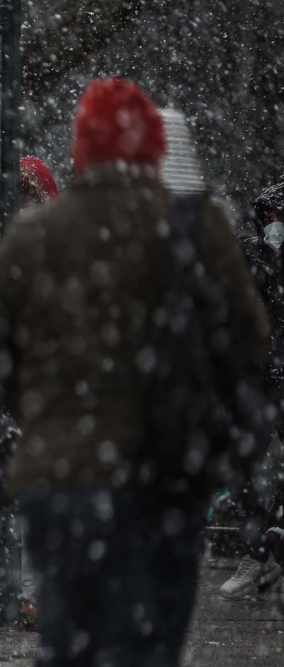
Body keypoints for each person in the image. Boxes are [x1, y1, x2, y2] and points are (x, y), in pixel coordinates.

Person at [0, 78, 270, 667]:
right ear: (153, 148)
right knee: (153, 635)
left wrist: (36, 406)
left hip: (61, 471)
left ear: (83, 149)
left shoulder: (36, 233)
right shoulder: (197, 228)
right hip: (167, 469)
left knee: (69, 630)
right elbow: (247, 342)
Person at [219, 178, 284, 600]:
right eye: (269, 216)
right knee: (238, 465)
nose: (274, 223)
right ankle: (260, 552)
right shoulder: (248, 250)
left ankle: (274, 540)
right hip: (255, 375)